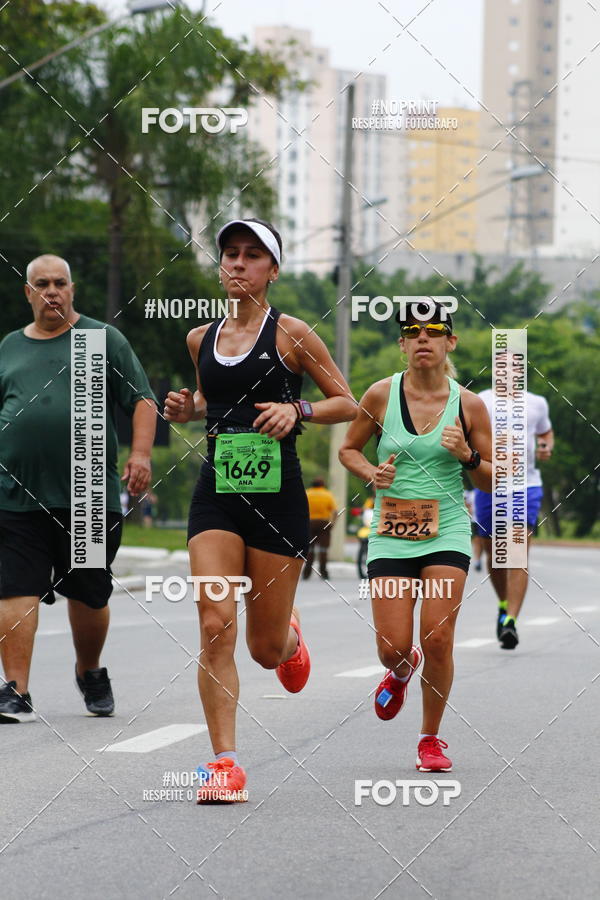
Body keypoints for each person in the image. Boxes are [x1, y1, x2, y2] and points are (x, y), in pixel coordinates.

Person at [164, 218, 355, 802]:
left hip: (278, 499)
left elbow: (344, 402)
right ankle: (225, 764)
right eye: (230, 255)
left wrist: (298, 410)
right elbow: (208, 400)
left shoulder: (293, 334)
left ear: (272, 270)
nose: (238, 265)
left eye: (251, 256)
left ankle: (289, 640)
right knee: (214, 623)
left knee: (263, 650)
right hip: (216, 492)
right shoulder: (201, 339)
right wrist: (185, 408)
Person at [0, 255, 157, 722]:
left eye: (60, 283)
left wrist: (141, 455)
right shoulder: (9, 347)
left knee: (88, 593)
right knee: (14, 589)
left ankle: (89, 670)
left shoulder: (98, 338)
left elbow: (143, 400)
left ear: (73, 289)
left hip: (88, 492)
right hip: (15, 493)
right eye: (42, 284)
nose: (52, 291)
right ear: (27, 293)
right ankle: (15, 689)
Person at [339, 300, 492, 772]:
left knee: (440, 638)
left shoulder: (469, 405)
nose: (423, 339)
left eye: (433, 331)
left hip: (445, 530)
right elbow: (348, 449)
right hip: (390, 532)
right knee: (392, 646)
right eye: (413, 332)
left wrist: (467, 456)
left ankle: (430, 739)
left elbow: (493, 477)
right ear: (403, 344)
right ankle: (403, 669)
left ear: (450, 342)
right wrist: (369, 471)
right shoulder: (381, 395)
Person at [473, 384, 553, 649]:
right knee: (493, 554)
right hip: (490, 484)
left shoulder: (537, 402)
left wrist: (545, 447)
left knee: (517, 552)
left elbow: (545, 432)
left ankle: (510, 621)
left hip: (525, 485)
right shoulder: (481, 400)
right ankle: (504, 604)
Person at [303, 477, 337, 580]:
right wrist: (332, 524)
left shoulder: (307, 493)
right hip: (324, 523)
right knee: (323, 549)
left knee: (310, 549)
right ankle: (323, 572)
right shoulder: (327, 494)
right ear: (322, 485)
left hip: (309, 523)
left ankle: (306, 573)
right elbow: (335, 511)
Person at [464, 488, 483, 571]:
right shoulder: (469, 493)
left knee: (484, 541)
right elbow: (467, 506)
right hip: (475, 521)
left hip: (485, 520)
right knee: (477, 540)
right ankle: (477, 560)